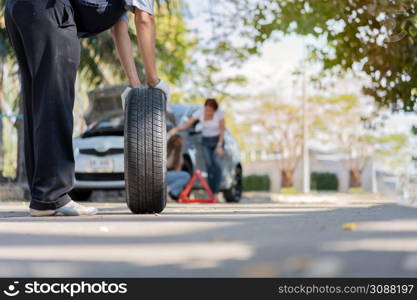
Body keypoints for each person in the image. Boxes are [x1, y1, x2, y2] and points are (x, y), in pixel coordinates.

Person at [5, 0, 167, 216]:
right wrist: (154, 81)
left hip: (18, 9)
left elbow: (119, 29)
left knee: (39, 103)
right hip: (51, 11)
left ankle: (43, 198)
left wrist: (134, 84)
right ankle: (52, 198)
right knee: (55, 100)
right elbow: (144, 20)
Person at [168, 99, 225, 198]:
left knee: (217, 165)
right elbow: (187, 124)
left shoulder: (220, 114)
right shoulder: (200, 112)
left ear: (215, 110)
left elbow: (222, 130)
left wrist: (219, 145)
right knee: (209, 166)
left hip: (217, 140)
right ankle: (211, 192)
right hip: (206, 141)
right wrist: (176, 129)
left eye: (210, 110)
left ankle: (216, 192)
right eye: (206, 110)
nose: (208, 112)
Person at [166, 135, 190, 201]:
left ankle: (168, 193)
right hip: (165, 174)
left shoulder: (177, 153)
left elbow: (177, 170)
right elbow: (174, 168)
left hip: (167, 175)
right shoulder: (168, 152)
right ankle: (167, 190)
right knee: (186, 176)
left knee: (180, 181)